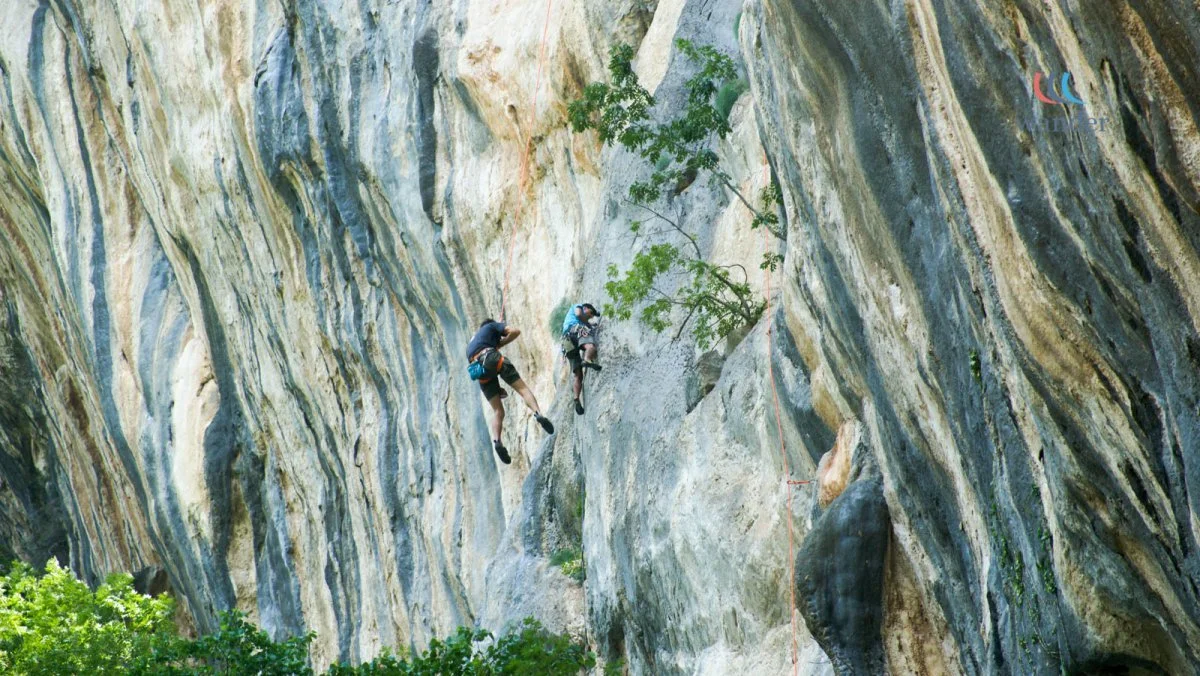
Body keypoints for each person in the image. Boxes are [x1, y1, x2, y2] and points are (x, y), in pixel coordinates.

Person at [466, 318, 554, 464]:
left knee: (498, 411)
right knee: (523, 389)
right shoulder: (491, 326)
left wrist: (497, 388)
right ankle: (538, 414)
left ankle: (497, 441)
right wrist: (500, 342)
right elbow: (515, 332)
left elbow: (487, 368)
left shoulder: (471, 344)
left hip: (479, 371)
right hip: (492, 356)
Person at [561, 303, 602, 415]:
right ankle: (587, 359)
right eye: (591, 313)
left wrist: (563, 356)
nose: (591, 316)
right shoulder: (578, 307)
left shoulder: (568, 322)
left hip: (566, 342)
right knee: (591, 347)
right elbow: (579, 314)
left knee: (578, 374)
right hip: (575, 329)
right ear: (585, 308)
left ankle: (576, 399)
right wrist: (589, 325)